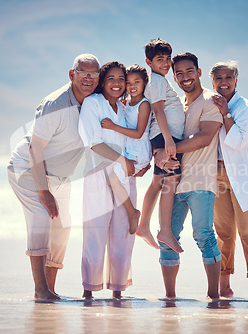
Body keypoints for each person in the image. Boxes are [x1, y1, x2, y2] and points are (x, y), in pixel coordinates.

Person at [7, 54, 100, 302]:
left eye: (94, 73)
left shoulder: (94, 101)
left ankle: (50, 289)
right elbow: (34, 148)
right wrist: (43, 190)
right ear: (72, 75)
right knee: (40, 222)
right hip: (28, 170)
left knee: (61, 230)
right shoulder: (55, 104)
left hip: (60, 176)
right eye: (84, 73)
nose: (89, 78)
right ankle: (40, 290)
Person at [155, 52, 223, 299]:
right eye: (179, 73)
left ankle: (213, 296)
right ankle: (169, 298)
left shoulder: (210, 101)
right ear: (174, 77)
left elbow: (205, 138)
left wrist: (167, 150)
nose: (185, 77)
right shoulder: (179, 105)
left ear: (199, 72)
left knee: (203, 235)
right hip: (173, 182)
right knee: (166, 236)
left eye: (189, 71)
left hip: (200, 181)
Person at [78, 61, 148, 299]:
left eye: (121, 79)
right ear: (102, 81)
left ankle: (117, 291)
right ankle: (89, 290)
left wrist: (142, 163)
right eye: (111, 78)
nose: (117, 83)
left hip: (124, 176)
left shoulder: (125, 107)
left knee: (122, 234)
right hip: (98, 175)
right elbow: (94, 143)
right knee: (95, 233)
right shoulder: (92, 103)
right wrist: (122, 160)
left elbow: (136, 138)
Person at [210, 61, 248, 300]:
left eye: (228, 77)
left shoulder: (245, 108)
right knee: (223, 233)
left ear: (236, 80)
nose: (223, 82)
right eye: (218, 78)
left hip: (243, 176)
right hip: (216, 174)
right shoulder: (209, 103)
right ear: (211, 81)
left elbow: (239, 142)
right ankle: (224, 284)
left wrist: (225, 113)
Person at [135, 38, 185, 253]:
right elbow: (159, 111)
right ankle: (164, 230)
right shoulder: (156, 81)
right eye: (159, 60)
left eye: (167, 59)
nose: (165, 63)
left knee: (157, 182)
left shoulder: (161, 80)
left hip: (164, 137)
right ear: (149, 62)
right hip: (166, 137)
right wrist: (168, 140)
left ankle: (144, 226)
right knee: (170, 181)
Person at [100, 64, 152, 234]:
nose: (132, 86)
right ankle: (121, 220)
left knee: (114, 180)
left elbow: (138, 133)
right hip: (128, 150)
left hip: (138, 151)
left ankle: (133, 213)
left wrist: (113, 126)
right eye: (128, 83)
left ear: (145, 82)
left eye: (136, 82)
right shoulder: (127, 103)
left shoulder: (144, 105)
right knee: (115, 181)